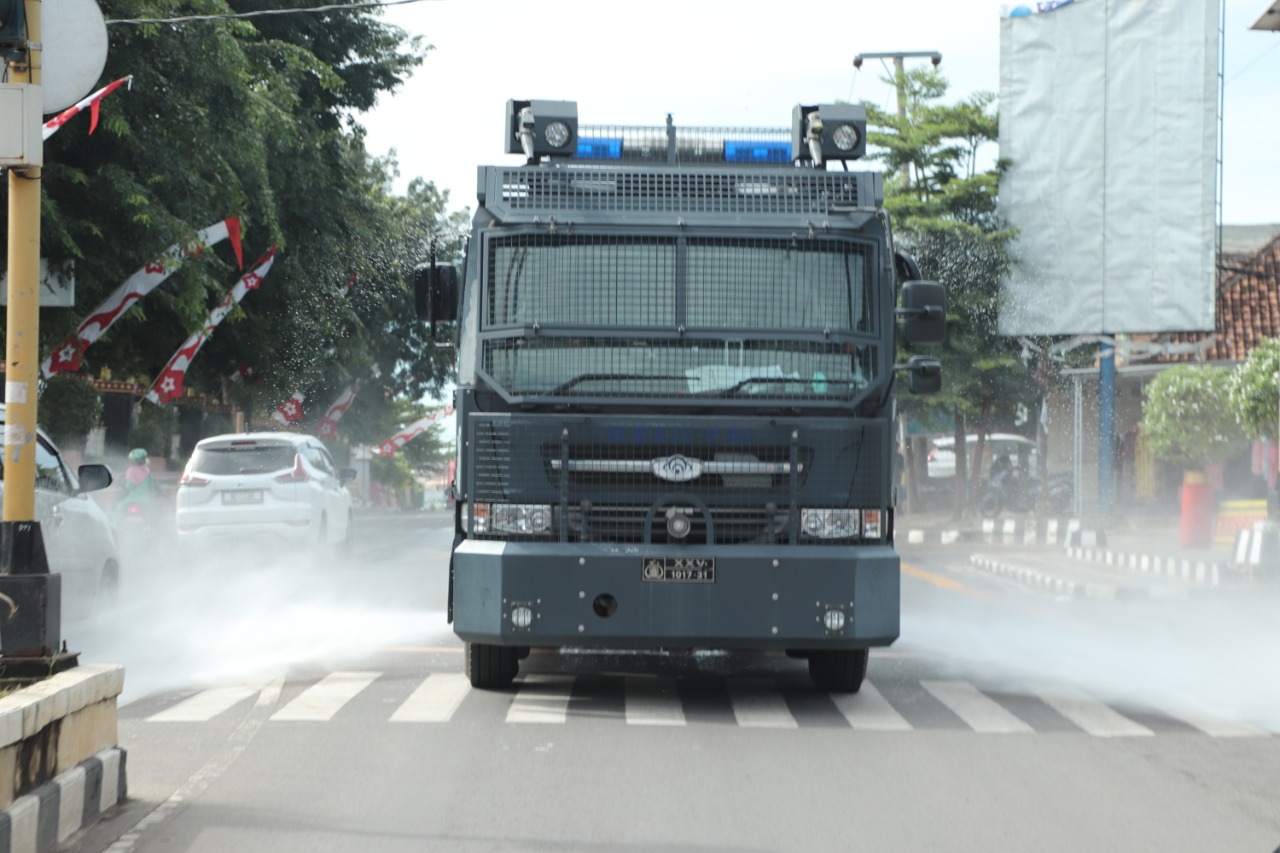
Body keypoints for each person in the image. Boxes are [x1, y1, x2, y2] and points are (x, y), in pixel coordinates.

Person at [113, 448, 157, 524]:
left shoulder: (131, 470)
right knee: (151, 516)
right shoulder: (147, 471)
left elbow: (128, 486)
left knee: (118, 510)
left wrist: (120, 496)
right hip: (145, 501)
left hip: (130, 500)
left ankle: (114, 527)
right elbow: (151, 486)